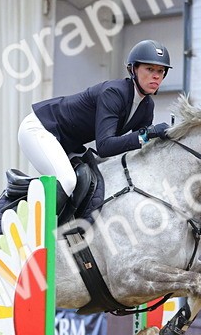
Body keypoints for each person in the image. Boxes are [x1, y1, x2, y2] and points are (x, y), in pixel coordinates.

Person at [17, 39, 172, 215]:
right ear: (133, 69)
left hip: (68, 143)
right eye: (150, 69)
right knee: (67, 180)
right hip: (41, 129)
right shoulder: (114, 93)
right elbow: (105, 146)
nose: (156, 76)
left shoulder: (147, 106)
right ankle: (35, 229)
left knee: (97, 178)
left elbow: (143, 146)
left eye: (161, 71)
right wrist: (148, 134)